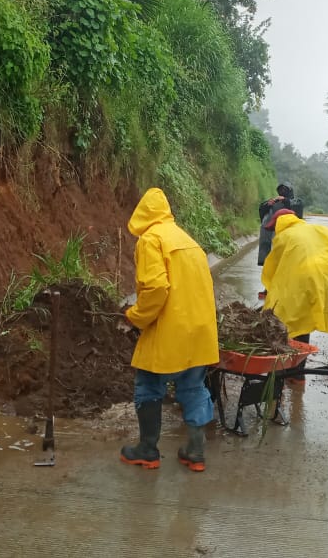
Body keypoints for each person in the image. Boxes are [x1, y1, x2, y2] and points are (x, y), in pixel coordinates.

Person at [120, 188, 219, 473]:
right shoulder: (188, 241)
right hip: (200, 331)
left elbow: (156, 288)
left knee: (149, 385)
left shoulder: (151, 239)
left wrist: (135, 316)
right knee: (193, 387)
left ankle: (147, 450)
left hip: (169, 330)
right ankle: (195, 452)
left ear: (142, 214)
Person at [260, 209, 328, 380]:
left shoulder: (284, 236)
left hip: (302, 279)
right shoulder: (314, 229)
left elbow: (272, 269)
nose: (274, 232)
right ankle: (298, 376)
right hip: (324, 279)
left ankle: (278, 375)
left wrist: (269, 291)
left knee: (281, 320)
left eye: (274, 228)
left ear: (279, 223)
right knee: (304, 322)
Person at [257, 182, 304, 266]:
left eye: (285, 190)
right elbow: (262, 209)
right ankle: (266, 260)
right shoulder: (274, 202)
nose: (282, 192)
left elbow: (298, 209)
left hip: (290, 236)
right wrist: (268, 204)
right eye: (280, 190)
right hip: (275, 235)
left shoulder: (297, 202)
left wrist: (285, 200)